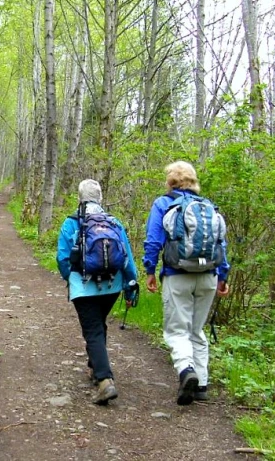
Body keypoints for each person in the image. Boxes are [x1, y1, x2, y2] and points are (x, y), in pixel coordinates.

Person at [143, 160, 230, 406]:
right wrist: (223, 276)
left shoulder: (163, 203)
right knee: (197, 329)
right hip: (208, 276)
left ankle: (186, 370)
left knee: (176, 330)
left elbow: (153, 241)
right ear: (193, 181)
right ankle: (201, 384)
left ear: (170, 181)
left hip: (177, 274)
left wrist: (150, 270)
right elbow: (221, 244)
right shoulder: (208, 206)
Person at [57, 179, 138, 405]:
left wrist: (71, 279)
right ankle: (95, 367)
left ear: (79, 197)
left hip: (83, 285)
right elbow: (127, 259)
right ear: (100, 198)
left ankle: (105, 381)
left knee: (92, 329)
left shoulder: (71, 223)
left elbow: (63, 258)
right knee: (98, 324)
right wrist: (131, 285)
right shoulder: (114, 222)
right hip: (112, 285)